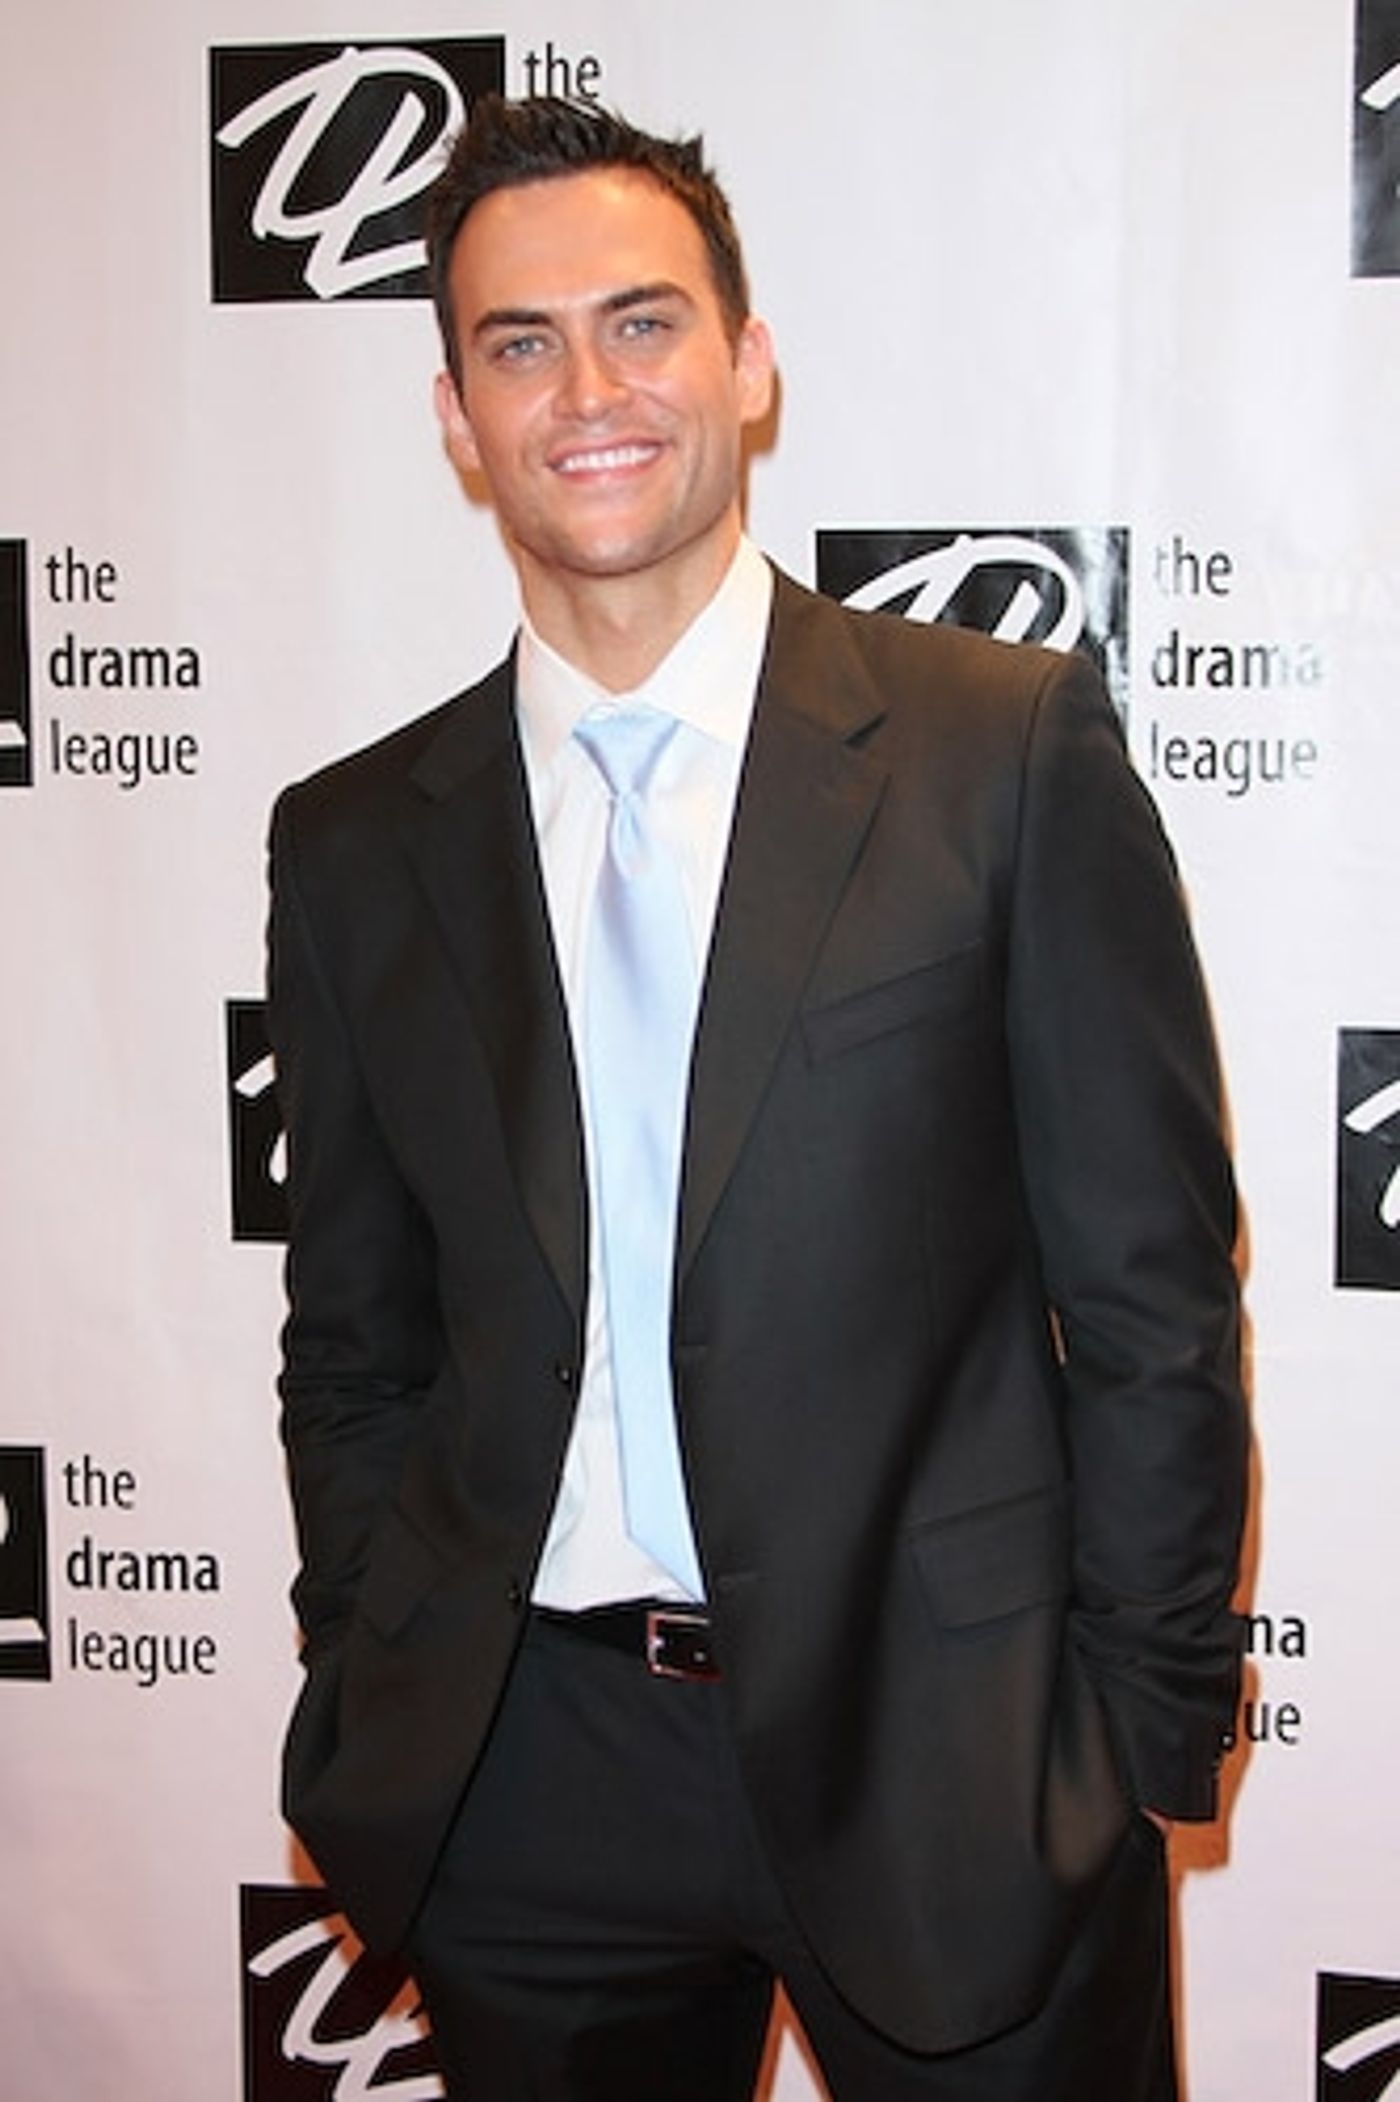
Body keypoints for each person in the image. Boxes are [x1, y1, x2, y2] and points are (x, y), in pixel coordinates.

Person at [267, 92, 1248, 2102]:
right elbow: (352, 1340)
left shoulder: (1000, 754)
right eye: (520, 345)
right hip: (526, 1777)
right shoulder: (356, 840)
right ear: (457, 416)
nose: (587, 393)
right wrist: (379, 1662)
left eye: (642, 322)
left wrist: (1131, 1742)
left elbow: (1151, 1293)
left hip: (955, 1753)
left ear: (749, 363)